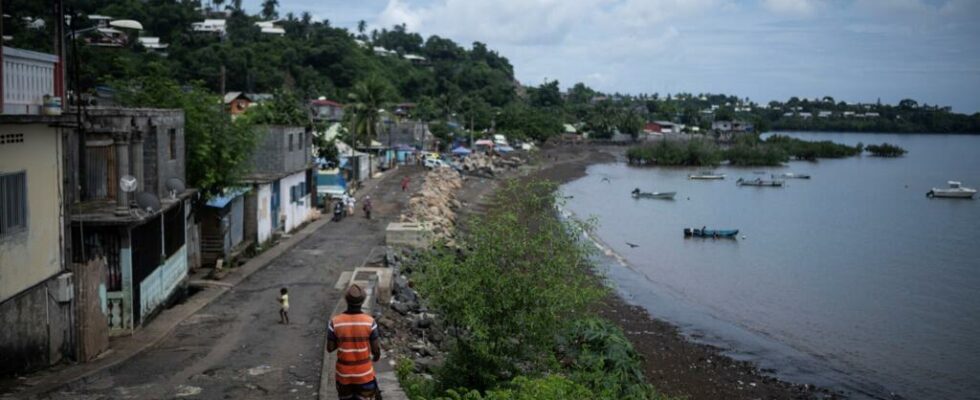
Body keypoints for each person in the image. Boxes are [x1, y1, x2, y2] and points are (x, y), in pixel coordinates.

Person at [328, 285, 381, 400]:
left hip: (343, 375)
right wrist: (377, 356)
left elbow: (330, 348)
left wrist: (343, 339)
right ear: (363, 301)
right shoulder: (370, 322)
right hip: (364, 375)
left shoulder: (335, 322)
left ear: (346, 300)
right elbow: (375, 349)